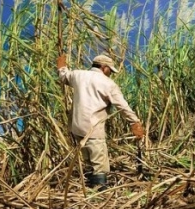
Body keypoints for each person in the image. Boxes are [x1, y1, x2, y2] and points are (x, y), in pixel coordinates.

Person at [56, 53, 145, 190]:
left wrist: (62, 66)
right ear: (104, 68)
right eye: (110, 70)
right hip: (93, 129)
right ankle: (99, 192)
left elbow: (64, 76)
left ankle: (90, 188)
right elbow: (122, 106)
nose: (111, 74)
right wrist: (134, 122)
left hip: (77, 127)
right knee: (99, 165)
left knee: (88, 160)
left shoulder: (78, 75)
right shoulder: (108, 83)